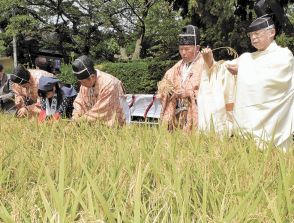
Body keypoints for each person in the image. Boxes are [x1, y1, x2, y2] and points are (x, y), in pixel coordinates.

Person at [201, 15, 293, 150]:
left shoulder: (283, 56)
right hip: (247, 126)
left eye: (257, 34)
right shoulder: (247, 58)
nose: (253, 38)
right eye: (251, 35)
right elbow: (221, 71)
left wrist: (243, 71)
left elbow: (274, 79)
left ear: (272, 33)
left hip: (274, 123)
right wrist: (209, 60)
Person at [157, 25, 204, 131]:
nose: (183, 53)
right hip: (178, 114)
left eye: (187, 49)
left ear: (197, 48)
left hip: (196, 113)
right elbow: (165, 82)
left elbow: (211, 91)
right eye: (181, 49)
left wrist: (189, 93)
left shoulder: (205, 65)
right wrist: (166, 90)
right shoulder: (177, 66)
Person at [71, 55, 129, 126]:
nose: (82, 84)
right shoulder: (85, 85)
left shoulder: (109, 83)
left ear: (91, 77)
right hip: (94, 125)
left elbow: (100, 111)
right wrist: (75, 117)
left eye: (83, 82)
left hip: (117, 124)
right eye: (80, 82)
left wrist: (77, 122)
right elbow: (79, 103)